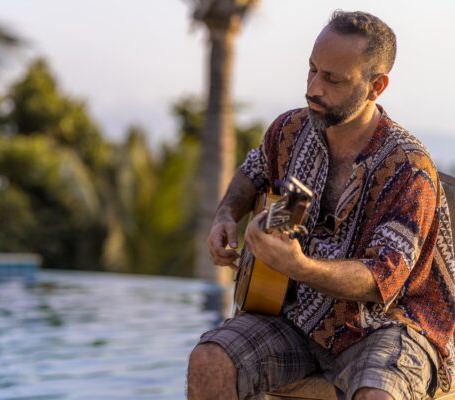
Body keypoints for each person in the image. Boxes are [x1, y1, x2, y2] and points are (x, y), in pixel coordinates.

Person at [187, 10, 455, 400]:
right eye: (312, 70)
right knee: (208, 360)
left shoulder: (409, 168)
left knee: (378, 394)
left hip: (386, 324)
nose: (313, 88)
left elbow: (381, 279)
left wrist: (298, 266)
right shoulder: (290, 130)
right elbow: (252, 172)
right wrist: (225, 216)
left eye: (332, 79)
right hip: (294, 319)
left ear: (376, 86)